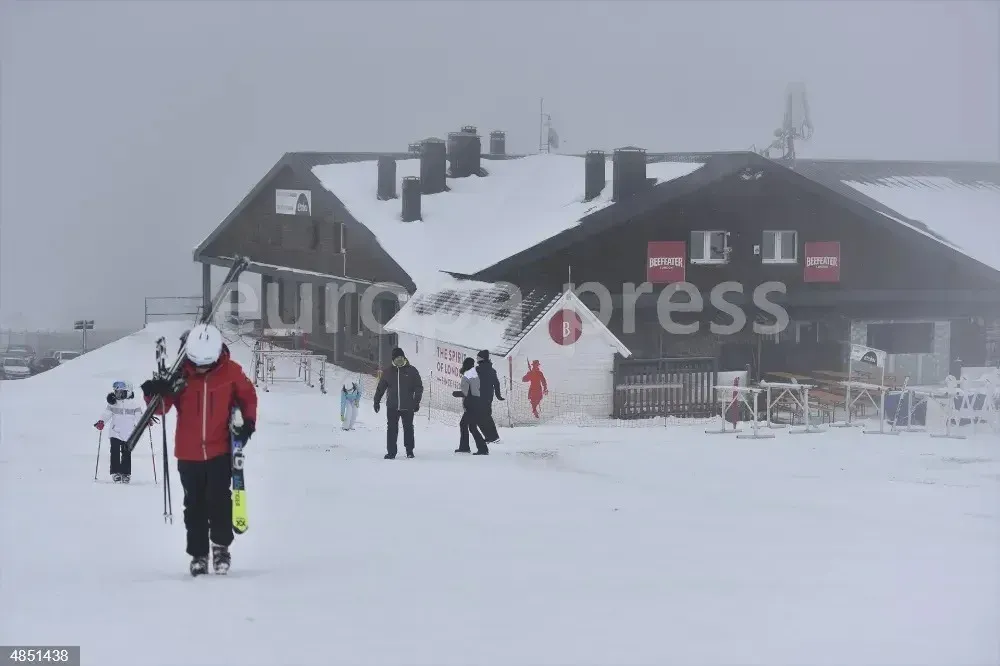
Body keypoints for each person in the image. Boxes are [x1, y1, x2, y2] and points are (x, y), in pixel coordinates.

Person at [141, 323, 258, 576]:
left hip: (220, 450)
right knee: (193, 505)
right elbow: (162, 408)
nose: (202, 368)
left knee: (219, 501)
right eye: (197, 363)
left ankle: (220, 547)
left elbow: (248, 396)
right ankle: (198, 554)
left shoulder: (231, 372)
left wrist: (248, 423)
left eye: (207, 363)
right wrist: (154, 392)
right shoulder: (180, 376)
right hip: (188, 452)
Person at [94, 380, 149, 484]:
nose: (118, 395)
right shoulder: (113, 404)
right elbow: (106, 414)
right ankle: (115, 473)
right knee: (114, 452)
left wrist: (146, 421)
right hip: (115, 432)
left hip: (129, 433)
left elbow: (140, 417)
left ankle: (125, 474)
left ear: (128, 392)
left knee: (126, 453)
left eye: (121, 392)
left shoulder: (134, 404)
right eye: (116, 392)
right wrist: (101, 422)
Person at [373, 347, 423, 459]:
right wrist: (376, 401)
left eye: (401, 357)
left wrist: (416, 402)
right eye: (397, 358)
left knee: (408, 428)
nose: (399, 360)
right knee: (391, 429)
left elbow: (418, 387)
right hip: (392, 406)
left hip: (408, 406)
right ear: (393, 359)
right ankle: (391, 452)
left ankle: (409, 451)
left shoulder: (412, 371)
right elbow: (381, 388)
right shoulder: (388, 372)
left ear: (404, 357)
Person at [452, 357, 488, 455]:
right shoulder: (475, 375)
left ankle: (478, 448)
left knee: (467, 425)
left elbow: (466, 392)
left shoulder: (468, 376)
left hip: (471, 405)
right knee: (470, 426)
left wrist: (456, 393)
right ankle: (472, 447)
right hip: (476, 404)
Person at [475, 350, 505, 443]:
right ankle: (491, 437)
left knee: (481, 417)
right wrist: (498, 395)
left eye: (478, 357)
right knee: (485, 416)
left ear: (482, 358)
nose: (477, 359)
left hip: (480, 397)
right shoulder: (492, 370)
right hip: (488, 397)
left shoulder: (478, 370)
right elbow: (496, 383)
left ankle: (493, 437)